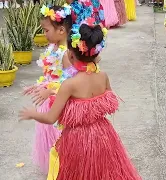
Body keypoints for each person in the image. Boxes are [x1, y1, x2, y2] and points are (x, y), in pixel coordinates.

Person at [19, 24, 141, 180]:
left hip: (77, 140)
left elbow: (50, 118)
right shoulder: (102, 76)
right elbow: (110, 103)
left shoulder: (69, 85)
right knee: (104, 172)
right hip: (103, 135)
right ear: (96, 53)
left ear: (70, 55)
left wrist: (33, 114)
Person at [22, 5, 73, 174]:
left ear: (61, 30)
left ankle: (63, 168)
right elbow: (50, 75)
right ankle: (55, 168)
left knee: (58, 139)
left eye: (46, 30)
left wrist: (50, 91)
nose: (44, 34)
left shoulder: (66, 54)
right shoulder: (53, 48)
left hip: (58, 103)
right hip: (47, 101)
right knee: (48, 140)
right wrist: (38, 85)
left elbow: (71, 82)